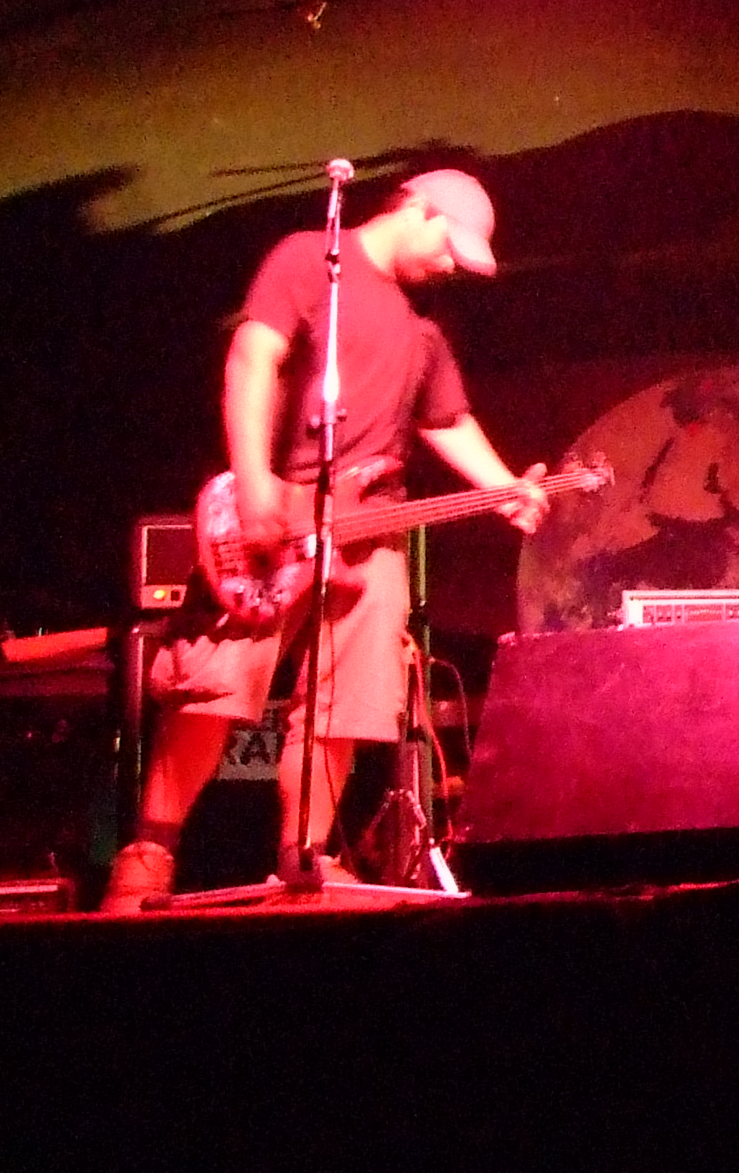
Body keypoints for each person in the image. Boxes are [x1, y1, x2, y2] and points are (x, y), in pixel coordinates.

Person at [100, 169, 550, 910]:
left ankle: (304, 855)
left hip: (371, 529)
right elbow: (252, 360)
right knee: (213, 687)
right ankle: (150, 850)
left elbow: (445, 421)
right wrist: (254, 486)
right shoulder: (309, 258)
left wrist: (507, 489)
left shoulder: (423, 329)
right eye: (449, 246)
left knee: (350, 704)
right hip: (280, 512)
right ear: (418, 208)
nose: (449, 266)